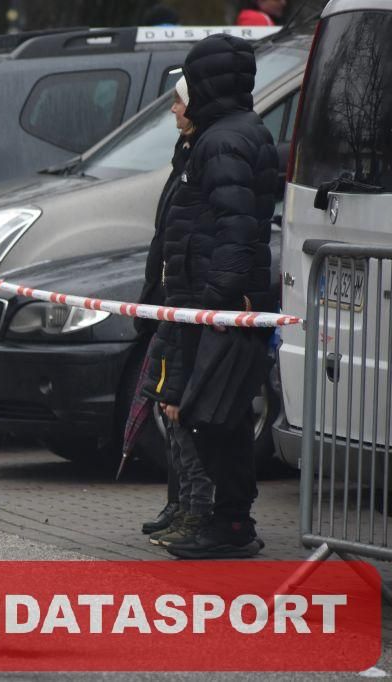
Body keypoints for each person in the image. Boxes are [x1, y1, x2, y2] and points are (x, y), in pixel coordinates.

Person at [143, 34, 278, 559]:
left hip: (216, 307)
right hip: (203, 301)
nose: (177, 106)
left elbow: (236, 229)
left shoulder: (224, 141)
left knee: (212, 416)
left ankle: (230, 524)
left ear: (205, 85)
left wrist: (216, 301)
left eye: (185, 89)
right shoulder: (221, 136)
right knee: (213, 415)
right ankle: (222, 520)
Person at [129, 77, 216, 548]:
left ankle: (197, 511)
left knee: (179, 405)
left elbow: (192, 236)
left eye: (179, 101)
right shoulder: (185, 152)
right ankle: (179, 503)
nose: (173, 110)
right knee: (166, 400)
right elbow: (167, 233)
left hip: (189, 302)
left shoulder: (207, 153)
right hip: (171, 297)